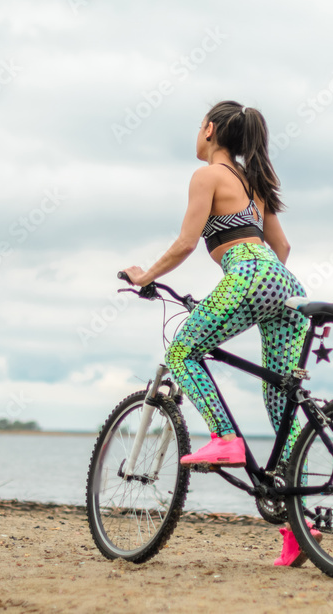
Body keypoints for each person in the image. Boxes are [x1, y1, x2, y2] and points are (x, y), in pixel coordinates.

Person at [121, 100, 311, 469]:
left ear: (209, 130)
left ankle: (225, 439)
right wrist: (257, 296)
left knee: (180, 354)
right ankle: (296, 516)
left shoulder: (207, 176)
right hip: (284, 283)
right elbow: (282, 247)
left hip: (248, 275)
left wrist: (144, 276)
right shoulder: (254, 181)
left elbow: (186, 243)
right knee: (280, 399)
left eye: (198, 126)